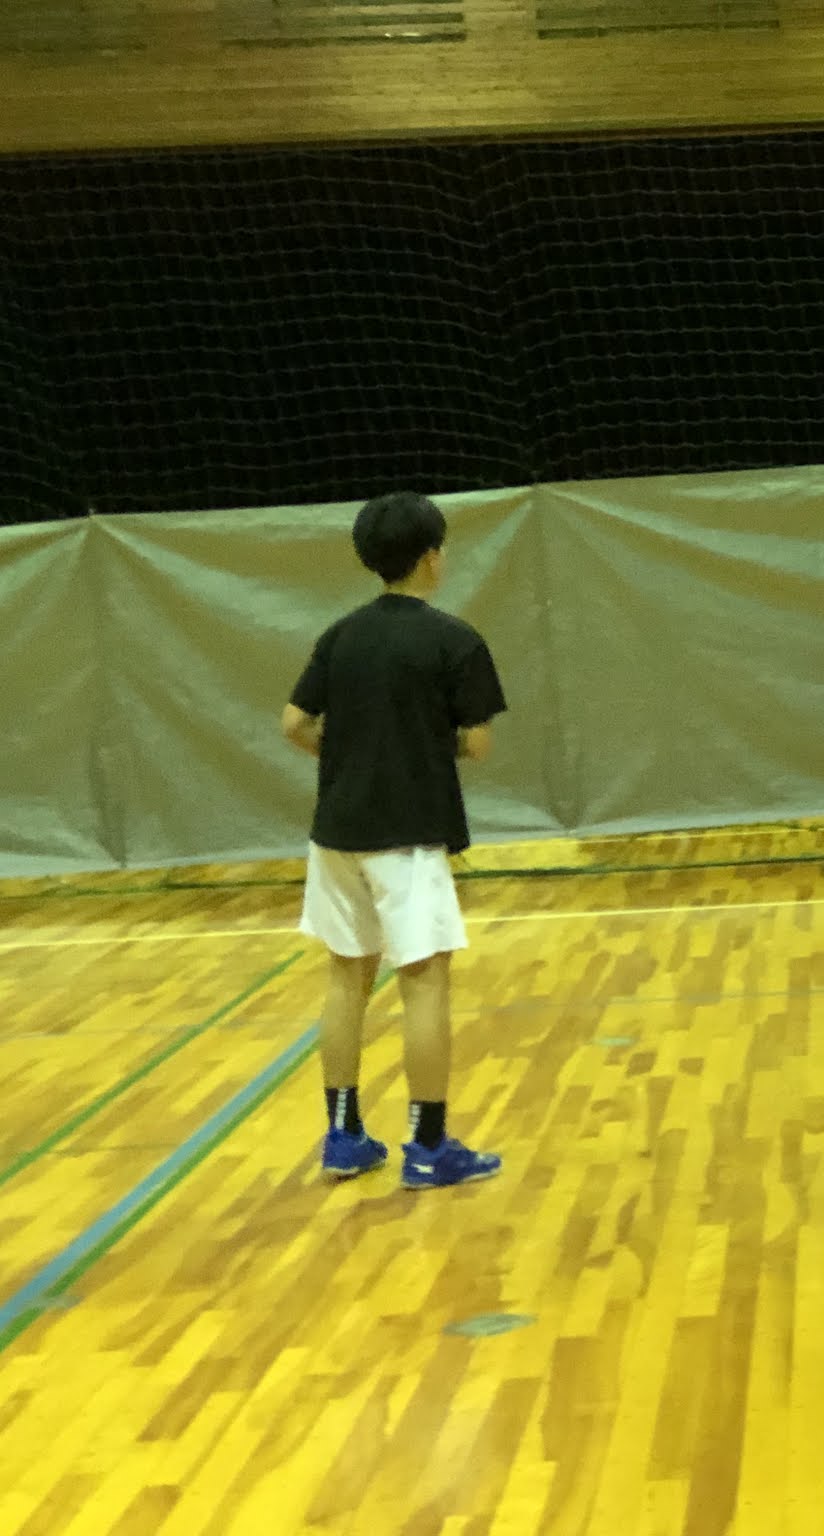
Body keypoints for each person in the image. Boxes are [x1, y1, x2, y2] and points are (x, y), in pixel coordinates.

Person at [281, 491, 507, 1189]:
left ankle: (343, 1137)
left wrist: (354, 757)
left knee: (346, 974)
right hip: (405, 836)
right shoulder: (454, 640)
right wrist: (418, 749)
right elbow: (477, 744)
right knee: (425, 981)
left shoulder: (340, 636)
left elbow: (294, 724)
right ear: (432, 556)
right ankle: (430, 1145)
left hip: (336, 833)